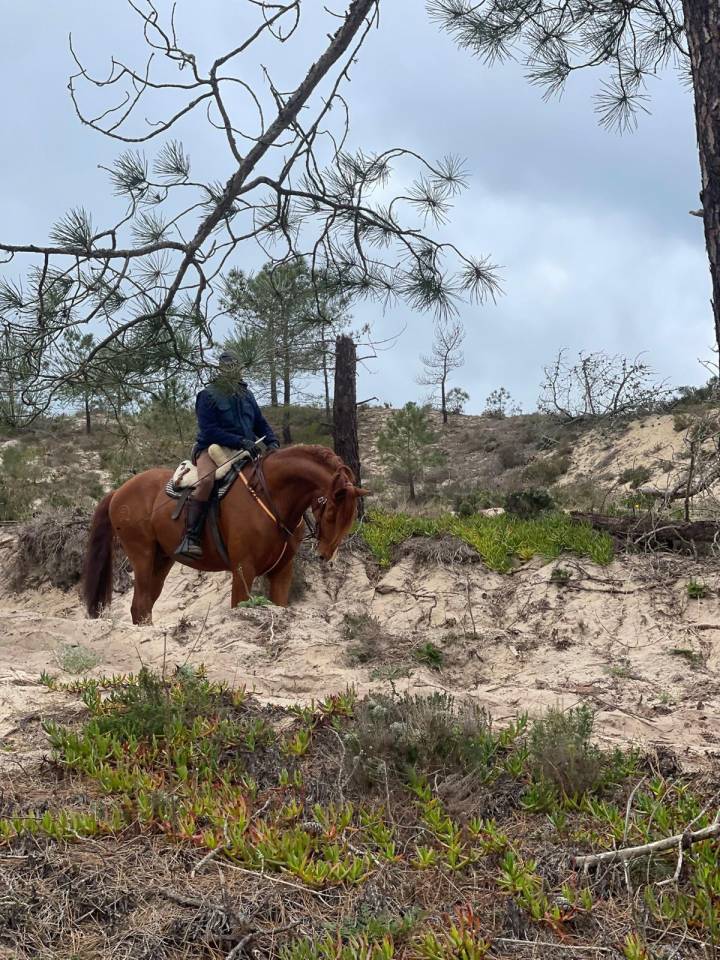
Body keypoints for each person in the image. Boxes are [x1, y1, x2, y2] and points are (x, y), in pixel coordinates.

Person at [175, 351, 280, 560]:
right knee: (206, 482)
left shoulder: (247, 395)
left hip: (244, 450)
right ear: (221, 369)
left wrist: (272, 442)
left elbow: (260, 423)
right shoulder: (207, 395)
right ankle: (191, 537)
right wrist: (240, 441)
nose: (233, 370)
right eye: (228, 367)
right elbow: (209, 430)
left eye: (235, 366)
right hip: (211, 449)